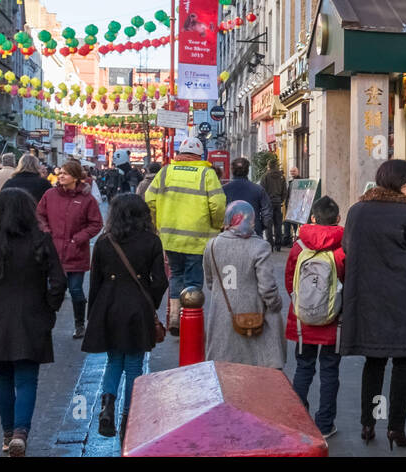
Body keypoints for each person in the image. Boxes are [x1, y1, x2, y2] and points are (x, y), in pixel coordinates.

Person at [341, 159, 406, 449]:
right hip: (403, 298)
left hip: (367, 296)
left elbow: (347, 247)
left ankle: (368, 423)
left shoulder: (357, 210)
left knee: (374, 361)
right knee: (403, 362)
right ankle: (396, 428)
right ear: (399, 183)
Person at [0, 188, 66, 457]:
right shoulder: (40, 240)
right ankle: (21, 432)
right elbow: (58, 282)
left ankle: (7, 433)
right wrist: (49, 307)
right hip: (32, 316)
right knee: (26, 379)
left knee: (3, 377)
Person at [82, 194, 167, 441]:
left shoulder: (104, 242)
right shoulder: (151, 241)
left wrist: (93, 316)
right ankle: (130, 415)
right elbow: (160, 280)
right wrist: (151, 301)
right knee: (134, 365)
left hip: (108, 305)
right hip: (137, 307)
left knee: (113, 362)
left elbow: (95, 280)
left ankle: (107, 408)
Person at [144, 137, 225, 335]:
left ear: (180, 153)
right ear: (200, 155)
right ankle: (191, 320)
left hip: (170, 238)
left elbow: (149, 199)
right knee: (193, 280)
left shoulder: (165, 172)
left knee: (176, 276)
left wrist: (158, 224)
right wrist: (216, 225)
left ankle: (174, 319)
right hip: (197, 239)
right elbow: (218, 204)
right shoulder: (206, 173)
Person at [286, 196, 344, 437]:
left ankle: (299, 419)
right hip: (334, 322)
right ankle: (325, 424)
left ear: (312, 218)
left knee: (303, 367)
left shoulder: (299, 246)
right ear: (338, 219)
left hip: (303, 319)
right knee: (330, 371)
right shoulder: (342, 247)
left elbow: (290, 280)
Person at [202, 200, 285, 369]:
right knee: (257, 365)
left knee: (224, 368)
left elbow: (210, 282)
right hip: (254, 316)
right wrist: (275, 305)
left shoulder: (212, 245)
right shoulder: (260, 246)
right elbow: (267, 287)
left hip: (222, 315)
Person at [37, 159, 104, 340]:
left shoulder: (86, 199)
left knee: (75, 290)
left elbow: (96, 223)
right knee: (52, 289)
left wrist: (78, 239)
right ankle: (45, 323)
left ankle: (79, 323)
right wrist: (46, 233)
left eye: (65, 174)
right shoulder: (50, 195)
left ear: (75, 177)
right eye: (60, 173)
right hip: (53, 251)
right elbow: (40, 215)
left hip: (76, 252)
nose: (61, 176)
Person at [222, 157, 273, 244]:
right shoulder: (258, 189)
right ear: (248, 170)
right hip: (254, 233)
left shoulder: (223, 190)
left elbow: (218, 210)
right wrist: (260, 226)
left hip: (229, 234)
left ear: (232, 170)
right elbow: (267, 213)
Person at [261, 161, 287, 247]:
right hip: (278, 203)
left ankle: (270, 243)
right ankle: (278, 243)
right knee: (278, 224)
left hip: (268, 204)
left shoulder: (265, 176)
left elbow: (262, 190)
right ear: (276, 166)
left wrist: (264, 202)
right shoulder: (281, 177)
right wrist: (281, 200)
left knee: (268, 223)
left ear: (268, 166)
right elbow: (285, 191)